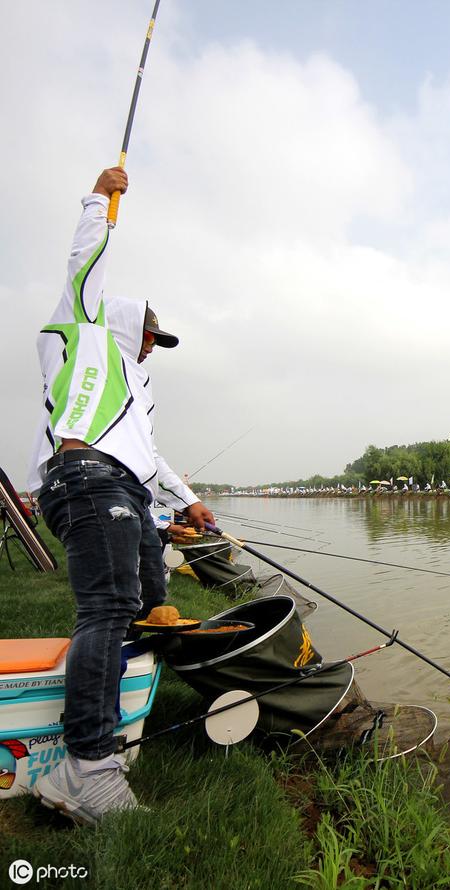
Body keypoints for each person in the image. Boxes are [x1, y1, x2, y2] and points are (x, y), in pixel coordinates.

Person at [27, 168, 215, 825]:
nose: (151, 347)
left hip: (123, 487)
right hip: (85, 477)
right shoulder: (80, 332)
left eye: (158, 342)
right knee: (104, 607)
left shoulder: (135, 390)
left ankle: (147, 639)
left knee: (143, 586)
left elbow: (151, 460)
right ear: (123, 322)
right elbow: (83, 265)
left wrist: (185, 503)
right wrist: (99, 202)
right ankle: (87, 765)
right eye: (148, 335)